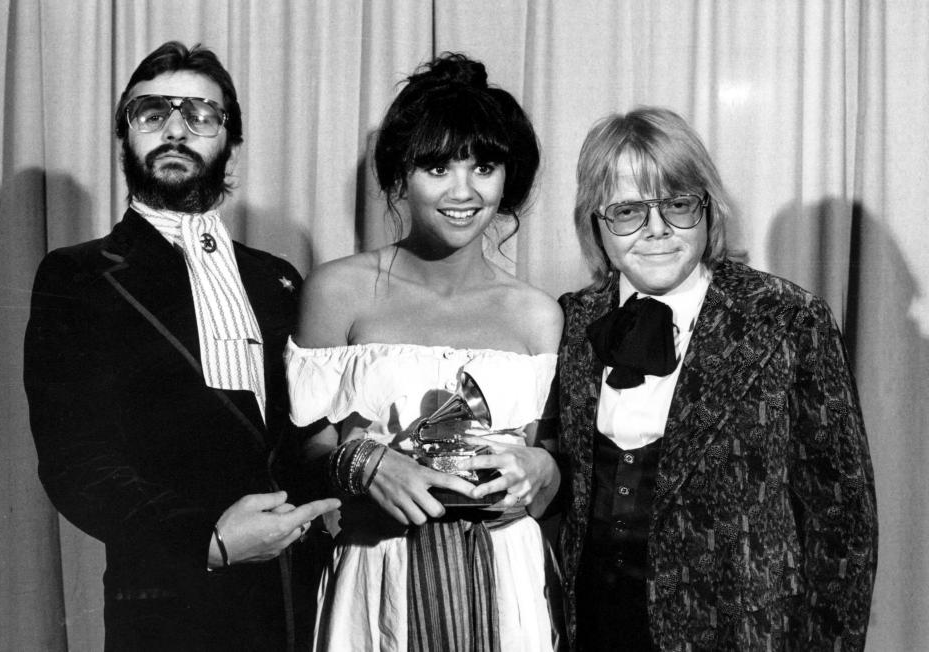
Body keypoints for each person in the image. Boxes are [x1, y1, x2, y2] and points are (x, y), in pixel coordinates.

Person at [23, 41, 339, 651]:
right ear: (125, 137)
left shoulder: (277, 279)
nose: (175, 130)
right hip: (167, 604)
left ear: (230, 142)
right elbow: (74, 462)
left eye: (200, 115)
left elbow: (303, 434)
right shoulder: (78, 275)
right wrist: (209, 542)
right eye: (151, 114)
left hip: (293, 602)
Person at [557, 106, 877, 650]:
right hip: (592, 628)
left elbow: (841, 524)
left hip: (740, 632)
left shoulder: (788, 318)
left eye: (678, 205)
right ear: (597, 223)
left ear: (707, 210)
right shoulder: (570, 320)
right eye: (629, 211)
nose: (657, 230)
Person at [286, 53, 564, 651]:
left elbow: (552, 458)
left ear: (507, 178)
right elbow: (297, 451)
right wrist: (364, 462)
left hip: (506, 582)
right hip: (377, 577)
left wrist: (546, 469)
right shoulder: (337, 292)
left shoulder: (539, 314)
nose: (462, 191)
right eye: (436, 166)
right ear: (399, 176)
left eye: (484, 166)